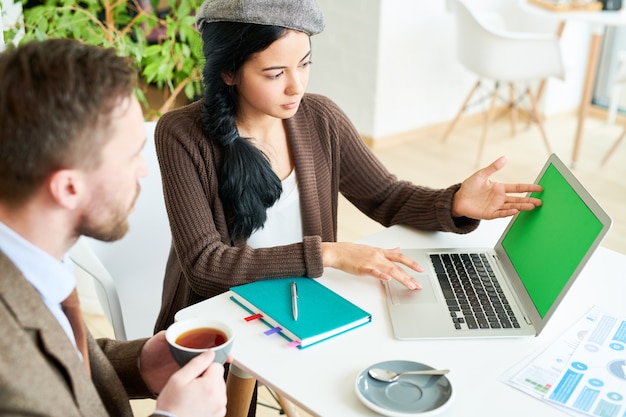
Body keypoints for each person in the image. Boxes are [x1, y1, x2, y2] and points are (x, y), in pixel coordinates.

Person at [153, 0, 542, 333]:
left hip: (302, 306)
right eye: (275, 74)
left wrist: (456, 201)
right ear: (228, 72)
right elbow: (206, 265)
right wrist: (329, 254)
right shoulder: (181, 135)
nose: (296, 86)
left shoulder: (320, 118)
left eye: (304, 64)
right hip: (218, 322)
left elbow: (386, 197)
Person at [0, 39, 227, 417]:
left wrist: (136, 364)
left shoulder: (33, 256)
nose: (143, 170)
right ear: (68, 187)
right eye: (132, 155)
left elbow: (53, 367)